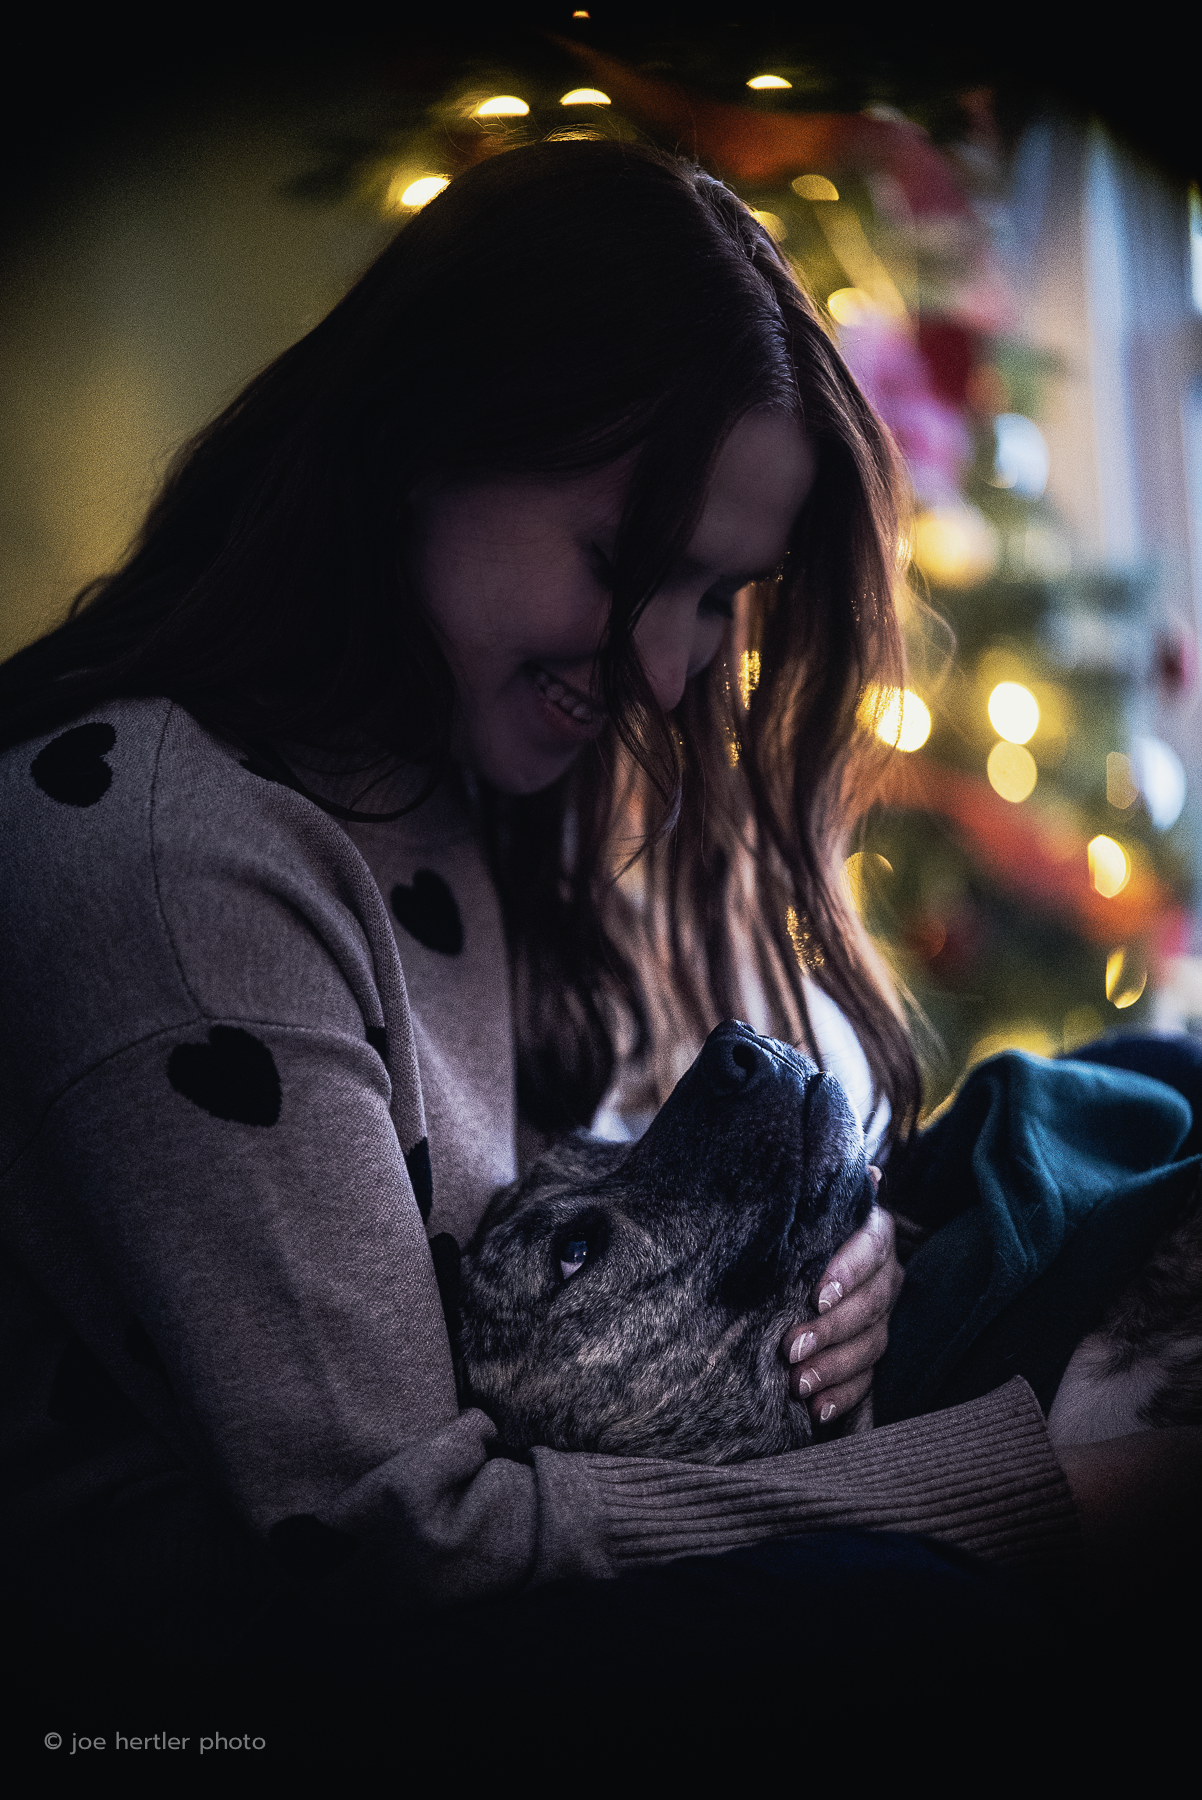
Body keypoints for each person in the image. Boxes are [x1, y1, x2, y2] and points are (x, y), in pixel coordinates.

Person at [0, 139, 1191, 1731]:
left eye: (717, 596)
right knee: (898, 1621)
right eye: (624, 567)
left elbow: (582, 1173)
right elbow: (396, 1543)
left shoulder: (445, 768)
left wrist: (841, 1256)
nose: (668, 670)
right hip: (217, 1687)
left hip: (520, 1522)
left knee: (1128, 1103)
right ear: (422, 441)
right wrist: (1018, 1487)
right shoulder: (167, 849)